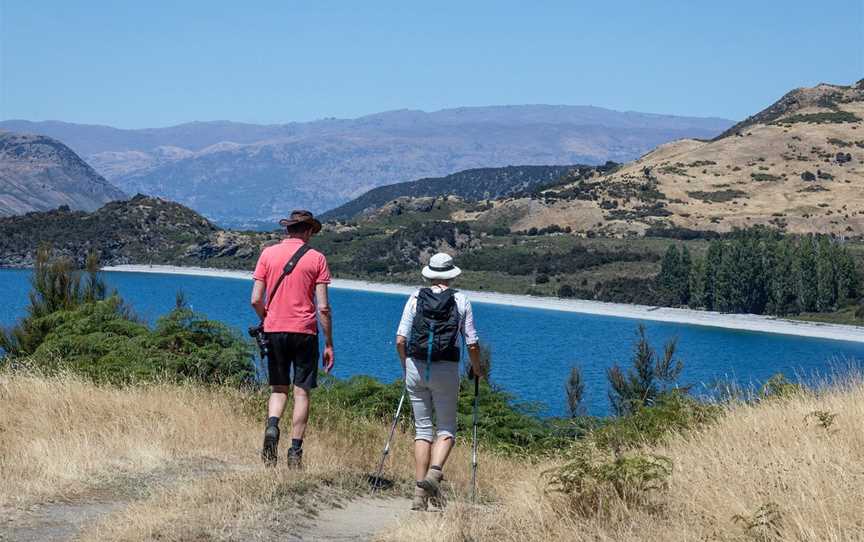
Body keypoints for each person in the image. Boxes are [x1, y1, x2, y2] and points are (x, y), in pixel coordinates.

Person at [395, 252, 482, 511]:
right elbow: (473, 343)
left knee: (422, 430)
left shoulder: (414, 298)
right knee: (446, 429)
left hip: (415, 366)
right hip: (447, 369)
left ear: (430, 274)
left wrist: (405, 365)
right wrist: (476, 368)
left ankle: (419, 495)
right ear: (452, 275)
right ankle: (434, 473)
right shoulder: (461, 300)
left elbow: (400, 339)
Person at [251, 210, 334, 468]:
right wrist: (329, 343)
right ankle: (295, 452)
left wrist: (269, 316)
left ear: (288, 229)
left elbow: (255, 299)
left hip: (274, 330)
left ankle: (272, 426)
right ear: (308, 230)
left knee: (278, 389)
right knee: (301, 393)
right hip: (305, 332)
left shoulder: (267, 254)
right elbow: (322, 308)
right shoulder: (317, 258)